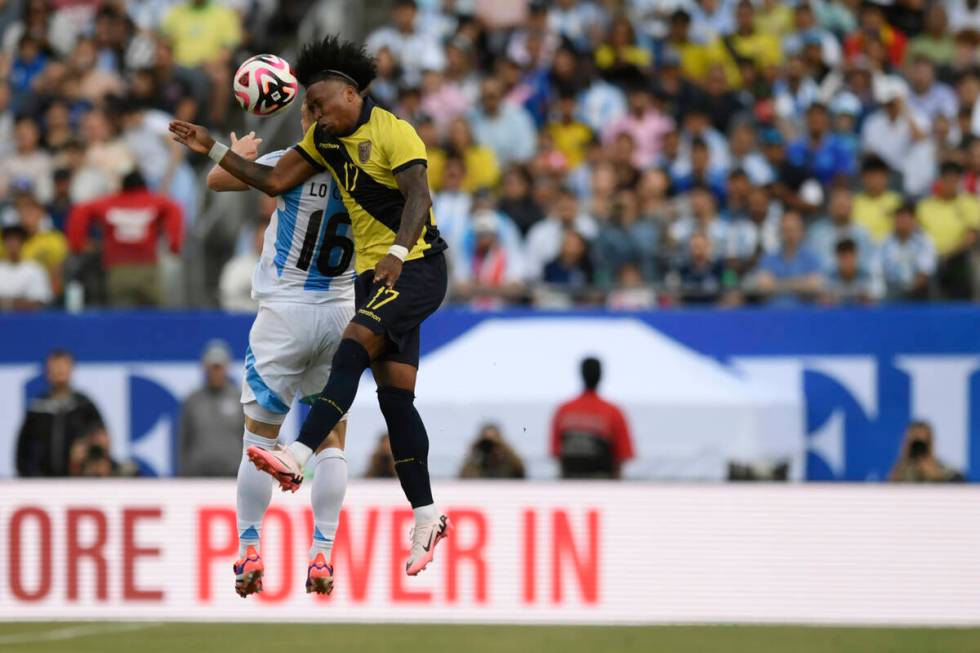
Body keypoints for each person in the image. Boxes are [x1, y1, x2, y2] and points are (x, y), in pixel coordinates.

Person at [170, 35, 452, 578]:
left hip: (393, 272)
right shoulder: (324, 143)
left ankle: (286, 470)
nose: (317, 116)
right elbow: (272, 179)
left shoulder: (392, 130)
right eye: (312, 111)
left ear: (350, 92)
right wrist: (210, 143)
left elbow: (418, 195)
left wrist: (224, 151)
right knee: (395, 401)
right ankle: (423, 515)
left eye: (321, 106)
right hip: (358, 284)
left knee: (338, 366)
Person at [203, 103, 356, 597]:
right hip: (340, 313)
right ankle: (322, 554)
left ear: (310, 122)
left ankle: (250, 547)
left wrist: (238, 153)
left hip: (285, 315)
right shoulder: (368, 171)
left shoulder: (289, 162)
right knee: (331, 438)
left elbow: (216, 183)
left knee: (260, 441)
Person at [66, 170, 183, 308]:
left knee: (121, 319)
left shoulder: (108, 203)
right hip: (148, 270)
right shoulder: (155, 202)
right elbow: (176, 209)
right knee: (155, 318)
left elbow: (80, 211)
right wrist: (174, 246)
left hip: (118, 271)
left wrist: (77, 245)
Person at [16, 349, 107, 477]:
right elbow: (22, 449)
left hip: (78, 483)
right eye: (55, 367)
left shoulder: (84, 406)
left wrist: (86, 452)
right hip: (41, 483)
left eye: (63, 366)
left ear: (71, 369)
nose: (59, 371)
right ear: (47, 371)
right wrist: (27, 476)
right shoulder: (37, 408)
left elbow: (101, 442)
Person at [551, 357, 634, 479]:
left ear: (581, 375)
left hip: (569, 484)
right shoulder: (613, 412)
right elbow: (623, 457)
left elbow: (556, 454)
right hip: (603, 485)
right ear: (601, 376)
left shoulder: (563, 410)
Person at [177, 341, 244, 478]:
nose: (215, 372)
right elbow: (184, 440)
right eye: (212, 367)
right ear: (205, 368)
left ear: (227, 367)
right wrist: (183, 472)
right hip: (198, 476)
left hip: (232, 474)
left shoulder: (240, 399)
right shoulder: (192, 401)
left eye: (219, 367)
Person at [752, 210, 825, 306]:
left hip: (804, 314)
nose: (790, 235)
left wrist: (778, 284)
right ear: (779, 232)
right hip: (773, 314)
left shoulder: (812, 257)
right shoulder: (769, 257)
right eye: (786, 230)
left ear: (801, 232)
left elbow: (816, 285)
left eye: (793, 230)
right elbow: (764, 286)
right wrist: (801, 284)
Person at [878, 202, 936, 301]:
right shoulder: (885, 242)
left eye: (905, 218)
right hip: (891, 289)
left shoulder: (924, 241)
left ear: (914, 220)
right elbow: (879, 269)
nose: (902, 221)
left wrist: (908, 289)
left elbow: (925, 271)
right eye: (899, 218)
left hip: (918, 290)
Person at [889, 421, 963, 483]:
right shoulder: (899, 473)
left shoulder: (948, 474)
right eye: (914, 443)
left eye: (922, 444)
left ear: (931, 444)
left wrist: (937, 478)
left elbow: (963, 492)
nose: (918, 448)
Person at [0, 224, 51, 311]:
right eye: (9, 240)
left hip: (28, 321)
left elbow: (39, 301)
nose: (12, 244)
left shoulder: (35, 269)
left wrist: (7, 303)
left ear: (23, 243)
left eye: (16, 240)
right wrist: (18, 302)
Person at [458, 423, 526, 479]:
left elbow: (521, 475)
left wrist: (506, 451)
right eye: (486, 445)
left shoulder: (511, 465)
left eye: (494, 445)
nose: (489, 448)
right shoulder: (472, 466)